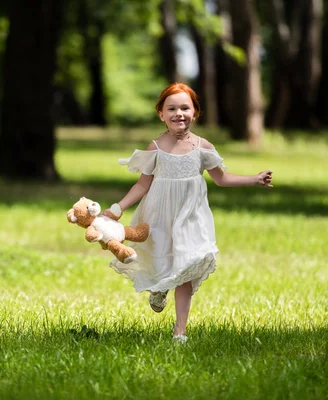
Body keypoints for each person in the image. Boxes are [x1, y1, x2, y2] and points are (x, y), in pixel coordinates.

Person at [105, 83, 273, 343]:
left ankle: (179, 331)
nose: (178, 113)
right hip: (159, 214)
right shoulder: (156, 147)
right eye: (171, 108)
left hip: (190, 216)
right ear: (161, 114)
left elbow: (222, 178)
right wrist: (118, 208)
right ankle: (160, 288)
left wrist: (255, 179)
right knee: (162, 260)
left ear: (195, 112)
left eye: (185, 107)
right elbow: (142, 184)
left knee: (187, 265)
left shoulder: (202, 147)